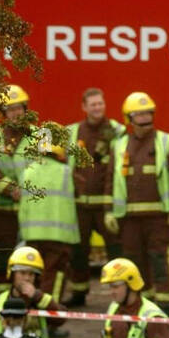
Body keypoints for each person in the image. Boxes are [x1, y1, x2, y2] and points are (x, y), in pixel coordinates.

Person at [107, 92, 169, 315]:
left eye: (147, 113)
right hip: (129, 219)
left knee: (159, 259)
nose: (143, 118)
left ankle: (164, 304)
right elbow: (109, 180)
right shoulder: (119, 145)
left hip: (159, 217)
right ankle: (142, 302)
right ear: (129, 118)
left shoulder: (166, 141)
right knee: (135, 263)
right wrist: (109, 212)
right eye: (138, 114)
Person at [64, 89, 125, 307]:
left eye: (100, 103)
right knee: (78, 251)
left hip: (107, 205)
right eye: (93, 104)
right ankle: (79, 293)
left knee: (116, 250)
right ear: (84, 107)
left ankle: (121, 293)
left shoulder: (117, 131)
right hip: (80, 205)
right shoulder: (73, 132)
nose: (97, 108)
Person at [17, 129, 78, 337]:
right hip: (59, 237)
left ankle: (27, 320)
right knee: (54, 278)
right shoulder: (66, 172)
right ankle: (49, 324)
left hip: (33, 236)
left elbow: (23, 207)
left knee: (31, 278)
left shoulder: (28, 171)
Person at [0, 85, 34, 298]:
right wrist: (10, 189)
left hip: (31, 210)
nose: (15, 113)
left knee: (29, 257)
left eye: (18, 108)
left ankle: (28, 297)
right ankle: (2, 300)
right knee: (3, 257)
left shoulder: (40, 136)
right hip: (2, 210)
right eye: (10, 109)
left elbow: (47, 167)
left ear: (25, 109)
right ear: (3, 113)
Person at [0, 245, 54, 338]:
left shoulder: (41, 300)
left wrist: (37, 296)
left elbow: (61, 319)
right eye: (22, 273)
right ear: (12, 274)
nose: (27, 278)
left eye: (31, 274)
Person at [95, 257, 169, 338]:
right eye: (110, 287)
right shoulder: (113, 309)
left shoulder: (153, 318)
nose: (112, 292)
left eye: (115, 286)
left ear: (131, 284)